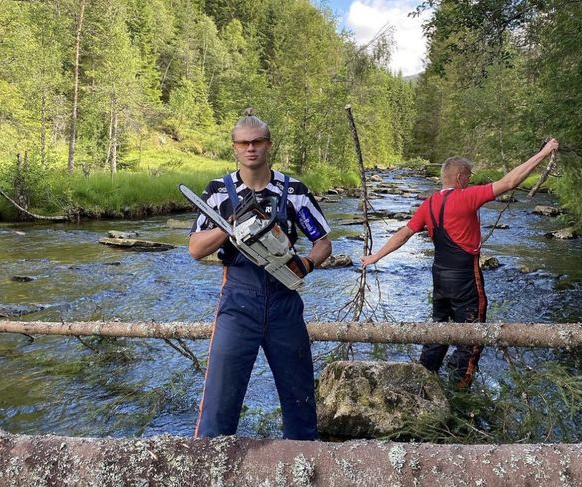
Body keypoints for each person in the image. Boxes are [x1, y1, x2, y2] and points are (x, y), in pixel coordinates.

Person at [361, 139, 559, 387]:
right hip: (465, 278)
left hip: (439, 278)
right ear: (459, 177)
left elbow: (404, 234)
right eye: (469, 176)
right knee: (472, 337)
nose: (470, 180)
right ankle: (459, 392)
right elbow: (510, 182)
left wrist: (376, 256)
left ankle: (424, 381)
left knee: (438, 330)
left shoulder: (428, 204)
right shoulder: (467, 197)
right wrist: (543, 152)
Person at [188, 110, 332, 439]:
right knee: (218, 403)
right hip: (238, 303)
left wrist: (307, 264)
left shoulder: (294, 191)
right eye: (243, 143)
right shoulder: (218, 193)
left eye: (257, 142)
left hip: (285, 302)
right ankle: (210, 463)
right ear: (234, 147)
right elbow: (195, 248)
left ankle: (302, 461)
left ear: (269, 145)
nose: (250, 148)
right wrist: (229, 228)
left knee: (300, 399)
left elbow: (323, 243)